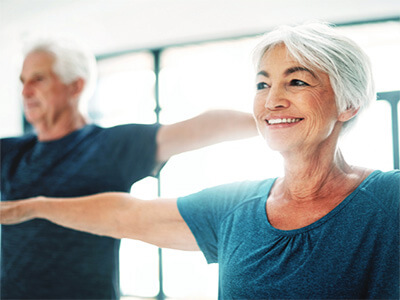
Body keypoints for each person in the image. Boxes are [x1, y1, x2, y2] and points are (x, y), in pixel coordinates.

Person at [2, 22, 399, 299]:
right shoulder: (236, 207)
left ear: (348, 103)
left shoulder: (388, 199)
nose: (272, 98)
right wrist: (31, 207)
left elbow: (202, 127)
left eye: (296, 81)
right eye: (262, 84)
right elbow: (126, 214)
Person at [0, 37, 258, 300]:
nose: (25, 92)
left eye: (38, 79)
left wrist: (270, 121)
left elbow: (201, 127)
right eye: (23, 82)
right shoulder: (10, 153)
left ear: (76, 86)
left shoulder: (109, 146)